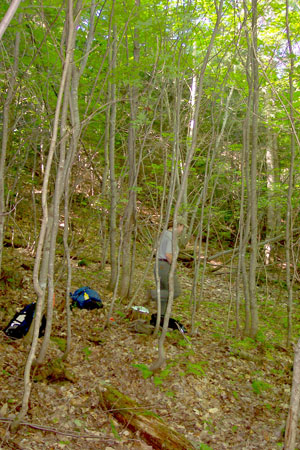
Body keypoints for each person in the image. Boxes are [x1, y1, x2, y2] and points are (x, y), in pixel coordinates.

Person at [147, 216, 187, 315]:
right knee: (175, 292)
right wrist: (174, 265)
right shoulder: (170, 237)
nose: (182, 230)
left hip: (158, 265)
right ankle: (152, 294)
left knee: (164, 294)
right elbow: (168, 254)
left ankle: (160, 318)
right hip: (164, 266)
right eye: (182, 227)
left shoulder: (164, 234)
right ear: (178, 225)